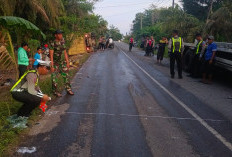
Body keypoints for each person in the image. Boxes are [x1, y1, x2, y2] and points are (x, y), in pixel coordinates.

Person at [49, 30, 74, 97]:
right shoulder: (52, 43)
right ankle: (55, 92)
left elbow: (65, 52)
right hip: (55, 63)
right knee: (54, 79)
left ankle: (68, 89)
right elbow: (51, 54)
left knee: (66, 76)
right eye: (59, 34)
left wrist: (67, 62)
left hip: (62, 63)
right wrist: (52, 66)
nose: (61, 35)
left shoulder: (63, 42)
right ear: (55, 35)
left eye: (61, 34)